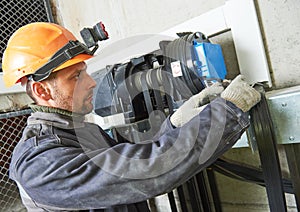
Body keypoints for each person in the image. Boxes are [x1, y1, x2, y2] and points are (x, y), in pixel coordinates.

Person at [2, 22, 261, 212]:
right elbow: (145, 172)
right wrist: (225, 112)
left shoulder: (78, 132)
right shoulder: (38, 165)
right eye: (76, 77)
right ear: (41, 90)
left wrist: (175, 123)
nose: (91, 83)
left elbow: (132, 159)